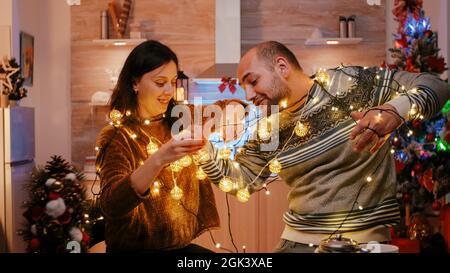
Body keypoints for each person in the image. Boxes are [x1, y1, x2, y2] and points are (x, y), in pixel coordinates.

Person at [198, 41, 450, 253]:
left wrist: (395, 111)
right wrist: (201, 147)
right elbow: (242, 180)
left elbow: (436, 86)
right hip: (295, 243)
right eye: (243, 87)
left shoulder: (354, 84)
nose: (248, 94)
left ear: (281, 66)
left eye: (252, 81)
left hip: (362, 243)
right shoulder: (268, 128)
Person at [95, 40, 220, 253]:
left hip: (180, 247)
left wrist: (236, 109)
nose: (169, 90)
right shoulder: (117, 135)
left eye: (173, 81)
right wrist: (158, 159)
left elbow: (225, 109)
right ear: (135, 82)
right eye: (160, 82)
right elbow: (111, 205)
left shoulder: (179, 119)